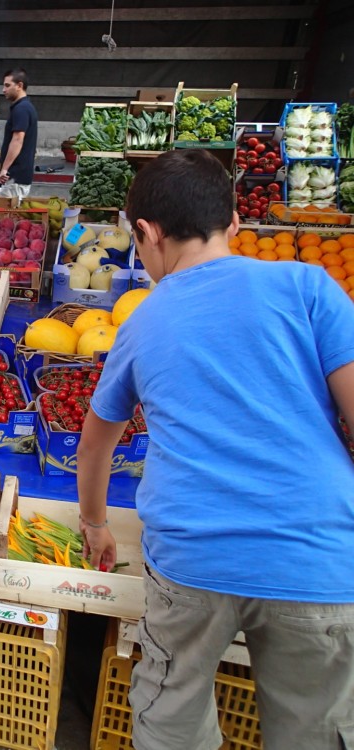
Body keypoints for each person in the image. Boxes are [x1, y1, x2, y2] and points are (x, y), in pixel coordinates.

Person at [76, 149, 354, 750]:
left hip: (193, 558)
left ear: (146, 234)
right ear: (234, 224)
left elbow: (96, 440)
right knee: (318, 731)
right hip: (318, 558)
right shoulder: (309, 285)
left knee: (172, 718)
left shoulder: (145, 321)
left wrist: (96, 523)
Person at [0, 68, 37, 200]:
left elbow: (18, 140)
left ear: (19, 86)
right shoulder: (23, 107)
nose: (3, 90)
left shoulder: (22, 109)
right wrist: (0, 159)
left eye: (7, 85)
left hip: (14, 178)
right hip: (13, 177)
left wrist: (4, 169)